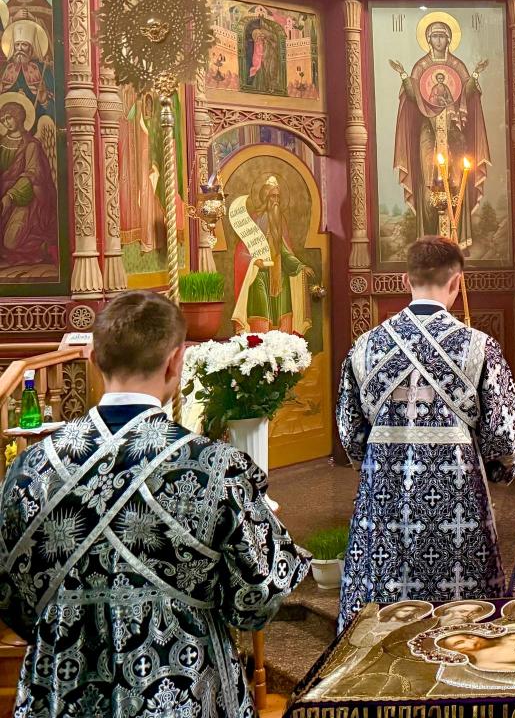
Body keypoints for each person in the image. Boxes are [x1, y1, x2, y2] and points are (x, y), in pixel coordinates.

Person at [0, 291, 310, 717]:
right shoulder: (215, 467)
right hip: (184, 689)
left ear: (93, 357)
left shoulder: (32, 466)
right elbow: (258, 596)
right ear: (175, 362)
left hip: (63, 689)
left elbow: (13, 598)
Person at [336, 236, 515, 632]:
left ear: (406, 280)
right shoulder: (479, 347)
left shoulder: (365, 347)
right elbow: (505, 438)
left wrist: (373, 462)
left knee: (381, 613)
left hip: (384, 494)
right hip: (458, 499)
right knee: (464, 618)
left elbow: (350, 433)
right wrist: (496, 471)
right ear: (457, 282)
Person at [391, 18, 490, 248]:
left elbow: (466, 94)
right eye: (434, 36)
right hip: (429, 130)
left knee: (457, 180)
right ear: (428, 39)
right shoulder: (420, 66)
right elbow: (414, 96)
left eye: (442, 36)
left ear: (449, 39)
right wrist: (404, 76)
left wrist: (475, 76)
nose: (438, 40)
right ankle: (430, 240)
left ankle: (456, 238)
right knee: (429, 182)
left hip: (454, 132)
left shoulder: (457, 65)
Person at [231, 173, 314, 334]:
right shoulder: (254, 220)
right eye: (272, 196)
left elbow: (284, 250)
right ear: (265, 197)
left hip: (280, 275)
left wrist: (300, 266)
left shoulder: (279, 221)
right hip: (260, 276)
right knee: (261, 313)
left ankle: (283, 346)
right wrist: (254, 261)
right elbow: (241, 252)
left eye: (278, 197)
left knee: (283, 314)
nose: (276, 200)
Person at [0, 100, 56, 267]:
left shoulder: (31, 145)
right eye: (2, 120)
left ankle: (41, 245)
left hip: (22, 199)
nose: (5, 122)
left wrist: (10, 196)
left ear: (18, 116)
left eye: (9, 118)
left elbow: (33, 175)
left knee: (10, 243)